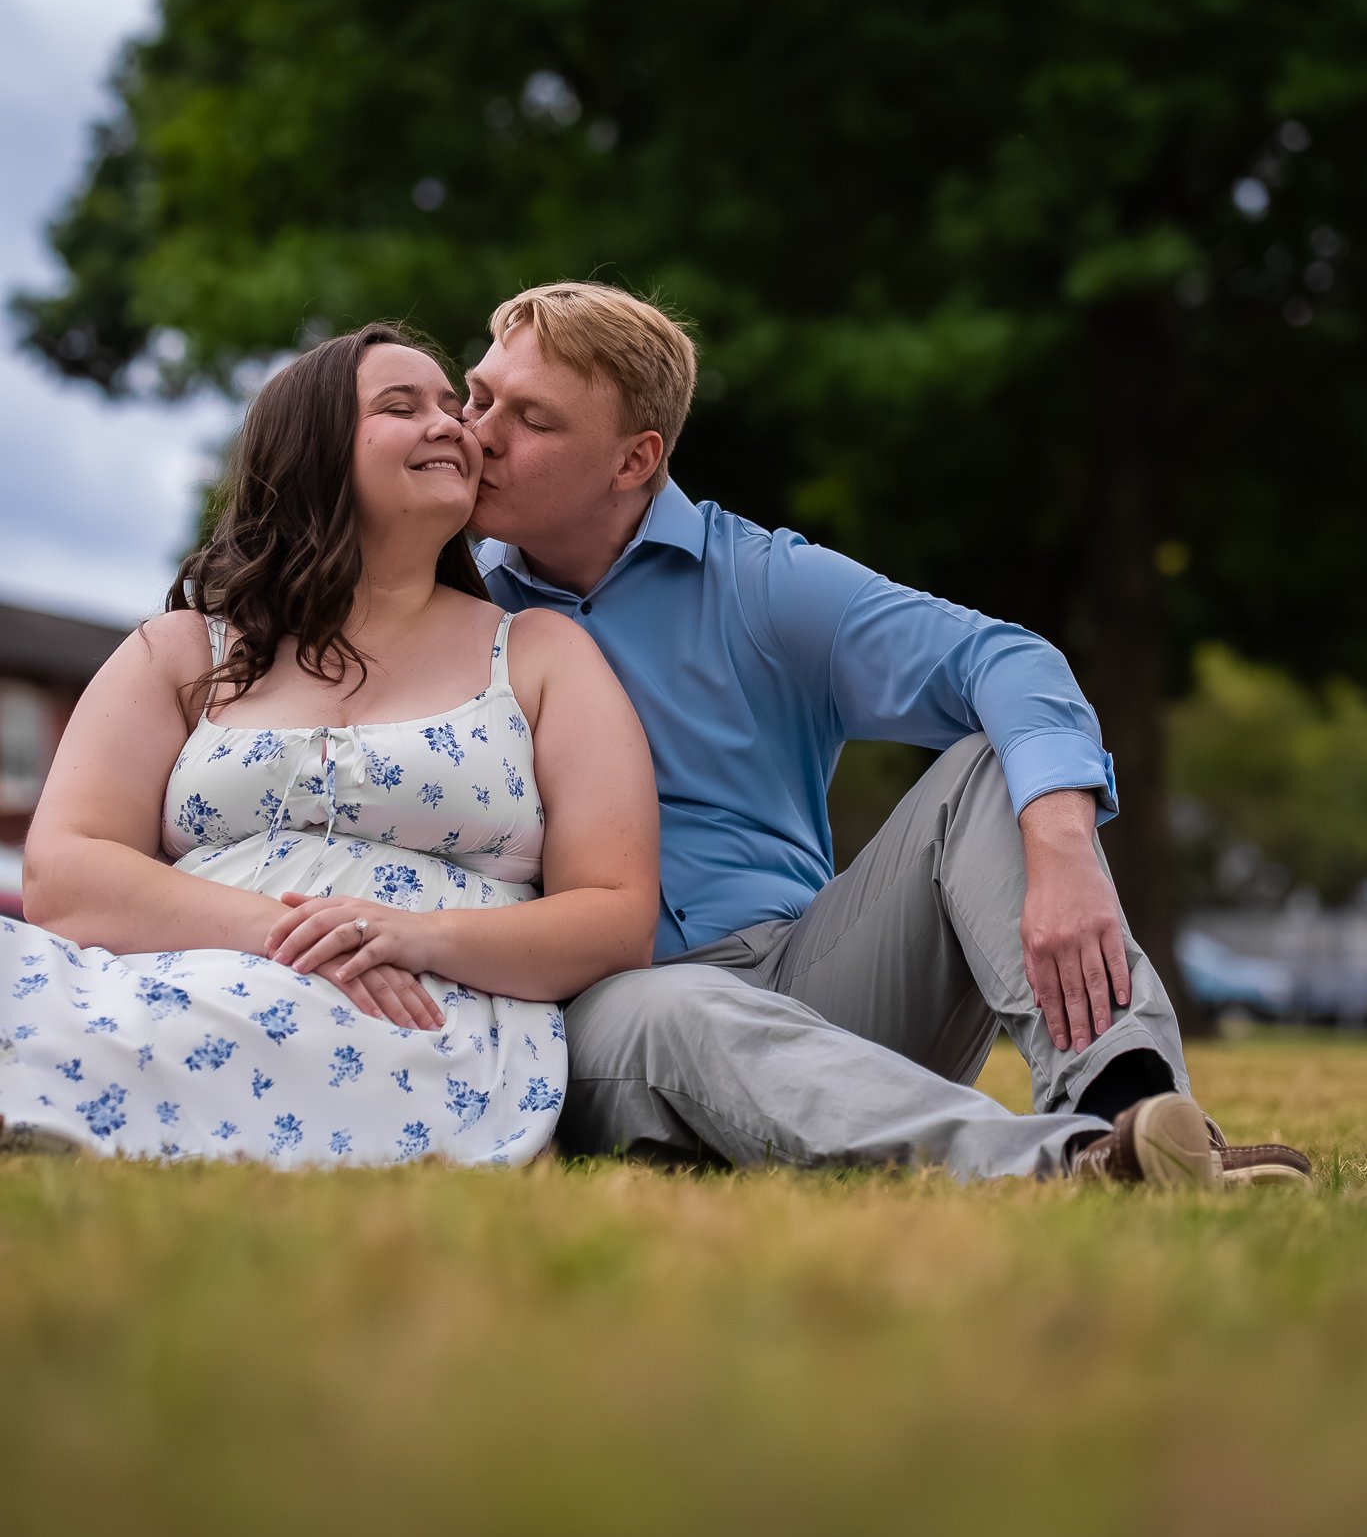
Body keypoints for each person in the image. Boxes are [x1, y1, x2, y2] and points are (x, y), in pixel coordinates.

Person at [465, 281, 1312, 1188]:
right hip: (607, 1005)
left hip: (811, 974)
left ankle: (1129, 1110)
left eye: (531, 419)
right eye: (475, 396)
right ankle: (1066, 1167)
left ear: (634, 461)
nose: (478, 433)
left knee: (993, 768)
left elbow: (1007, 661)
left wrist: (1061, 848)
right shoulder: (455, 601)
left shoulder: (758, 582)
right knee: (677, 1006)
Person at [1, 323, 658, 1166]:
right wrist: (304, 937)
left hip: (414, 1015)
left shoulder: (537, 654)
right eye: (401, 405)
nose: (453, 425)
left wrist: (410, 938)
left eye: (452, 407)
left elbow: (614, 917)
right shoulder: (181, 650)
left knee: (250, 1027)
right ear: (311, 448)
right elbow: (63, 873)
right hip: (173, 972)